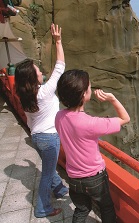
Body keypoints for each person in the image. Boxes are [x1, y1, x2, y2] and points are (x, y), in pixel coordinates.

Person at [55, 69, 130, 223]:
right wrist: (113, 99)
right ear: (83, 94)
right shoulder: (91, 123)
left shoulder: (59, 116)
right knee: (106, 208)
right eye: (89, 86)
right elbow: (125, 118)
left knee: (82, 209)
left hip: (74, 176)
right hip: (94, 177)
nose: (91, 87)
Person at [14, 24, 68, 218]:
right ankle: (42, 208)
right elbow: (60, 66)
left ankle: (60, 189)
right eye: (37, 70)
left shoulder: (24, 95)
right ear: (33, 77)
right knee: (46, 174)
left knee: (49, 166)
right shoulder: (44, 92)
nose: (40, 71)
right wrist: (58, 41)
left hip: (36, 137)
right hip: (49, 138)